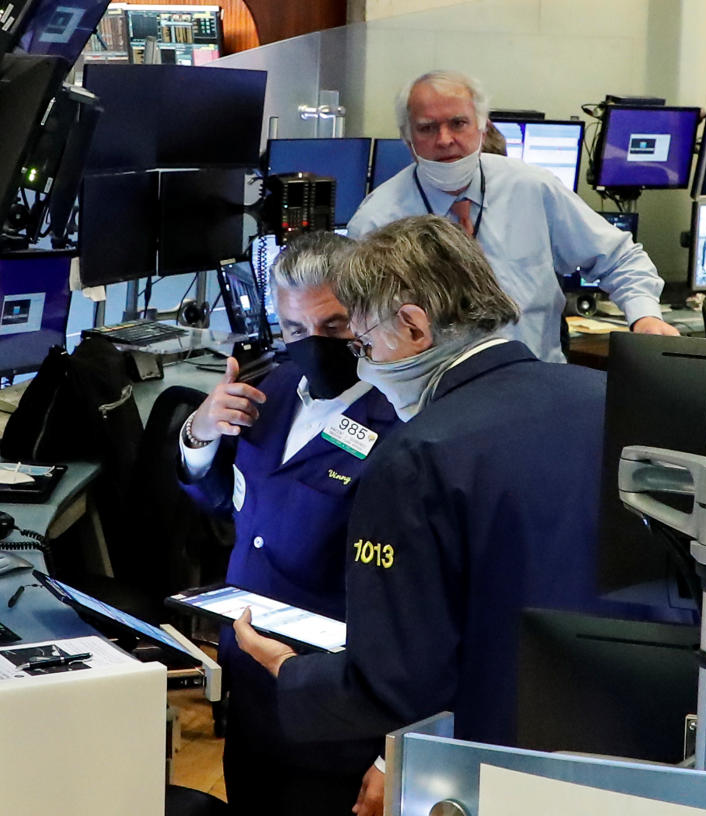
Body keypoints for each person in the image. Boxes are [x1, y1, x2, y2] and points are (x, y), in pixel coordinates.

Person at [234, 215, 609, 807]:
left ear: (412, 325)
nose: (363, 365)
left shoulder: (417, 453)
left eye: (363, 344)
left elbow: (397, 677)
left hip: (479, 754)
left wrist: (289, 670)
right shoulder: (601, 397)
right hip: (611, 745)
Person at [177, 230, 399, 816]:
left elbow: (416, 608)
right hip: (251, 690)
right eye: (296, 331)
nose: (313, 345)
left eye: (332, 327)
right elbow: (227, 509)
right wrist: (199, 431)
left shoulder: (403, 422)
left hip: (335, 713)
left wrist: (389, 752)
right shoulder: (266, 392)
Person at [348, 69, 679, 363]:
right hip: (432, 402)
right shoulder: (378, 221)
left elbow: (620, 258)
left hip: (537, 385)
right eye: (427, 128)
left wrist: (644, 317)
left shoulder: (532, 188)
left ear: (482, 126)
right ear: (408, 139)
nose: (445, 139)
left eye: (458, 123)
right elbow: (362, 331)